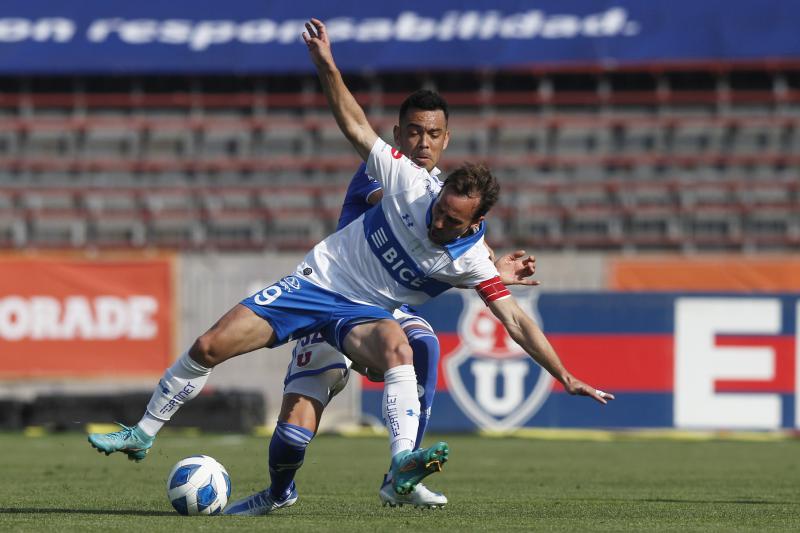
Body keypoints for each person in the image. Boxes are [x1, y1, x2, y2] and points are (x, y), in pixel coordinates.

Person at [88, 16, 613, 514]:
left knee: (408, 344)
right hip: (317, 284)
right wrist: (326, 66)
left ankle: (400, 469)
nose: (438, 225)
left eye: (453, 224)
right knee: (213, 351)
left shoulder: (472, 252)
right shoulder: (404, 179)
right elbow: (355, 125)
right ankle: (147, 434)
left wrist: (562, 373)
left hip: (366, 313)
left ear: (473, 218)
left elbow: (515, 319)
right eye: (439, 214)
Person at [224, 89, 540, 515]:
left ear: (446, 139)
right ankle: (279, 491)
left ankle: (401, 474)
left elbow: (450, 249)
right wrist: (485, 268)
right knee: (296, 432)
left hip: (386, 310)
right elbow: (414, 228)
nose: (422, 143)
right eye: (413, 132)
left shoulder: (445, 196)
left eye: (433, 134)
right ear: (397, 134)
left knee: (424, 344)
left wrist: (490, 271)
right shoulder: (385, 174)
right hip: (334, 298)